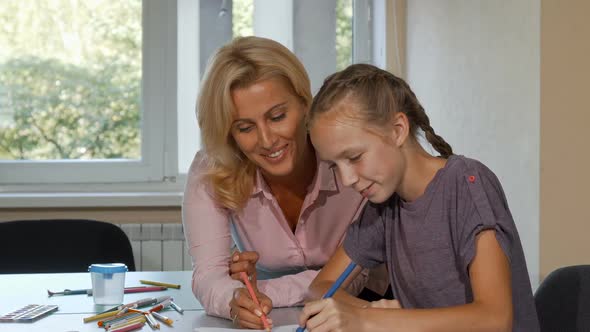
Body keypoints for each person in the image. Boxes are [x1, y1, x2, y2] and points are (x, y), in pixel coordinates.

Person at [298, 63, 540, 331]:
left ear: (398, 130)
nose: (347, 179)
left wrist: (368, 320)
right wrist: (367, 312)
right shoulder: (383, 207)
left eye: (354, 157)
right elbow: (319, 288)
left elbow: (495, 319)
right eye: (335, 166)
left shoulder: (468, 184)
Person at [182, 37, 379, 330]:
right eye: (245, 127)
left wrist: (267, 292)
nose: (267, 140)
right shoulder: (212, 169)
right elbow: (208, 274)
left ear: (304, 103)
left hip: (370, 308)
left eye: (277, 116)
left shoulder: (350, 157)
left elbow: (356, 274)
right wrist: (234, 299)